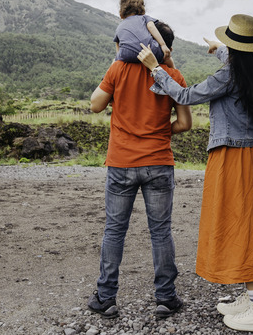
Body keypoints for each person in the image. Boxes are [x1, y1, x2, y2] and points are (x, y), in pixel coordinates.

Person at [138, 14, 253, 333]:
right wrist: (218, 49)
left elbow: (185, 96)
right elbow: (236, 62)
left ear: (235, 49)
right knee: (249, 222)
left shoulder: (228, 76)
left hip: (234, 158)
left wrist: (155, 69)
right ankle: (251, 296)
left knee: (240, 226)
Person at [87, 21, 191, 319]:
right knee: (160, 232)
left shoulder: (118, 70)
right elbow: (184, 124)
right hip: (159, 162)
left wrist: (117, 59)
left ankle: (106, 298)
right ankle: (166, 298)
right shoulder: (173, 75)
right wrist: (156, 132)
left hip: (121, 163)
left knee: (115, 231)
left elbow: (95, 105)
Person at [113, 0, 170, 64]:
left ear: (121, 13)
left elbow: (117, 43)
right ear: (142, 10)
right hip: (149, 51)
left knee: (117, 58)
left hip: (126, 56)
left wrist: (118, 60)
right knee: (166, 57)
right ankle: (172, 68)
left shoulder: (119, 26)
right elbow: (151, 26)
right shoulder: (144, 18)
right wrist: (163, 45)